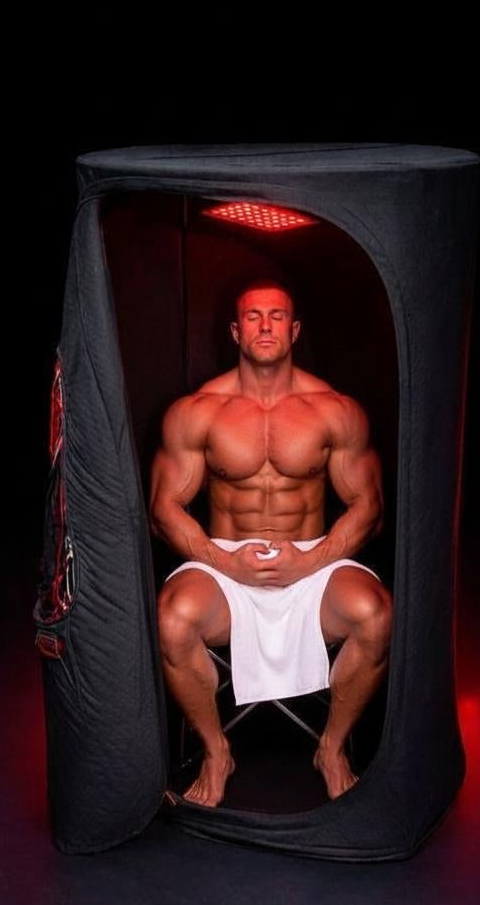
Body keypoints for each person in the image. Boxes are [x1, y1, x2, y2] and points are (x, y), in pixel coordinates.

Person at [149, 279, 393, 807]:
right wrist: (225, 562)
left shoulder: (334, 409)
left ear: (295, 330)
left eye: (277, 316)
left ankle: (332, 749)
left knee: (375, 614)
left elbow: (369, 506)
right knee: (171, 619)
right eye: (253, 316)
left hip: (312, 561)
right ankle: (217, 750)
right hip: (224, 563)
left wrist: (311, 561)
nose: (265, 325)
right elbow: (162, 509)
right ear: (236, 331)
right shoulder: (198, 410)